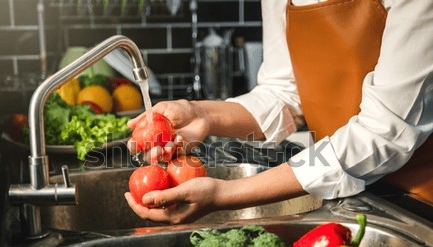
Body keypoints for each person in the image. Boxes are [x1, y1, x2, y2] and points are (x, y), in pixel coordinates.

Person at [124, 0, 433, 224]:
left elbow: (381, 133)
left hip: (419, 204)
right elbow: (285, 91)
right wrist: (201, 114)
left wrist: (226, 194)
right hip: (349, 197)